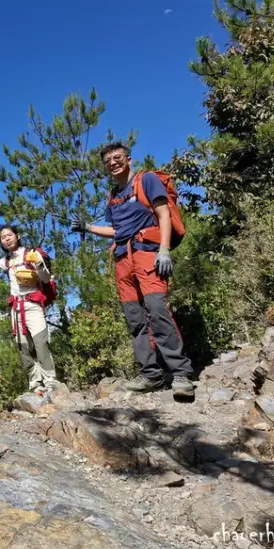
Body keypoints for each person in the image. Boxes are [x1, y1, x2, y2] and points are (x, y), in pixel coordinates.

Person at [71, 142, 195, 399]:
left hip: (147, 253)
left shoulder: (146, 180)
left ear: (128, 159)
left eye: (117, 158)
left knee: (158, 310)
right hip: (122, 259)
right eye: (108, 161)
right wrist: (88, 227)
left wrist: (163, 250)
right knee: (135, 319)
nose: (113, 163)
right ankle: (150, 374)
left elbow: (163, 214)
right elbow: (117, 231)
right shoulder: (113, 196)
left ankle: (180, 373)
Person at [0, 225, 61, 394]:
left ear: (18, 236)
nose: (7, 239)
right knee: (23, 347)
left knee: (41, 344)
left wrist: (37, 263)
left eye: (10, 235)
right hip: (16, 309)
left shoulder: (31, 254)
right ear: (1, 242)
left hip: (33, 306)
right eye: (3, 237)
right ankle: (35, 382)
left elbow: (45, 278)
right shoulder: (7, 261)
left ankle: (50, 380)